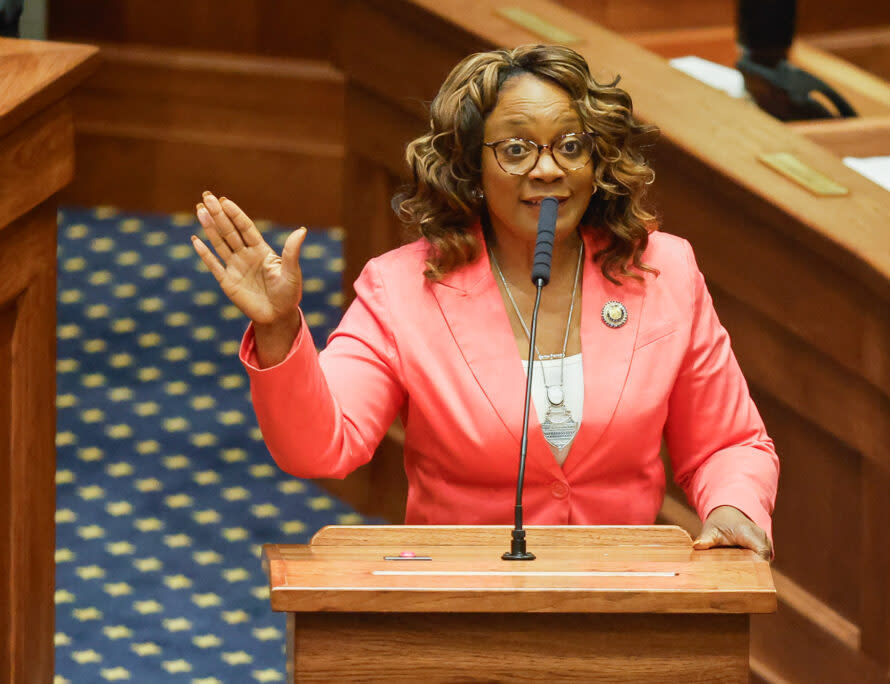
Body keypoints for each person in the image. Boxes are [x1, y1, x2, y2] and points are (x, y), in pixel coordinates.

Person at [191, 44, 779, 559]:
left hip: (622, 598)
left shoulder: (663, 271)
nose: (548, 169)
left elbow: (728, 443)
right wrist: (278, 328)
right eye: (517, 150)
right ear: (471, 165)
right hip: (461, 604)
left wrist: (735, 508)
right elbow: (323, 446)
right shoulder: (402, 290)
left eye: (570, 146)